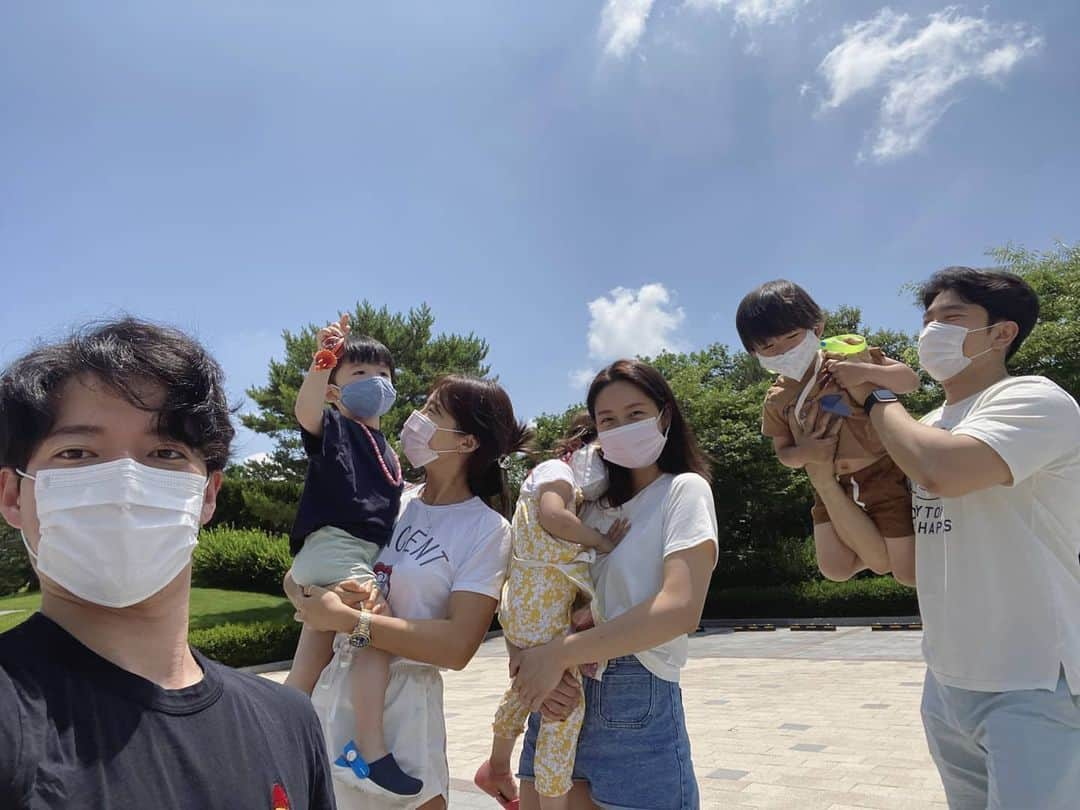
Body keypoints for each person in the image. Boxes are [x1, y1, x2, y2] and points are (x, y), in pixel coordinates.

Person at [0, 318, 335, 810]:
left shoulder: (288, 720)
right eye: (77, 453)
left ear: (208, 495)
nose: (126, 483)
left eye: (164, 452)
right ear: (13, 495)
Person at [828, 267, 1080, 809]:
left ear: (1001, 333)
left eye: (951, 318)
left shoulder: (1034, 399)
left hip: (1031, 680)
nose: (931, 331)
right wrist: (819, 469)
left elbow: (943, 471)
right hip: (947, 681)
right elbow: (904, 564)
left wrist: (873, 394)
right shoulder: (926, 423)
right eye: (927, 319)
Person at [291, 375, 576, 810]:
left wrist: (351, 621)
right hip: (332, 688)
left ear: (466, 443)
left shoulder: (485, 530)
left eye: (432, 413)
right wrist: (300, 591)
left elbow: (458, 646)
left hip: (405, 707)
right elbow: (318, 560)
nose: (416, 420)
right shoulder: (391, 498)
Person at [511, 359, 718, 810]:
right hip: (559, 696)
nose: (621, 427)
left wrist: (559, 654)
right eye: (607, 420)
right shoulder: (588, 511)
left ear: (665, 415)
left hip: (635, 697)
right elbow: (533, 582)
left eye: (635, 414)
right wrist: (532, 666)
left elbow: (680, 609)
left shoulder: (683, 490)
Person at [282, 313, 420, 798]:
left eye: (382, 374)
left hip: (332, 556)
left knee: (311, 658)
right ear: (336, 391)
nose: (374, 382)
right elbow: (305, 411)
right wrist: (322, 361)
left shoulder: (385, 446)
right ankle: (371, 749)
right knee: (375, 635)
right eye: (358, 374)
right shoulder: (337, 427)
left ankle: (274, 738)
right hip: (338, 549)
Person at [475, 414, 630, 810]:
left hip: (530, 606)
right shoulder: (558, 472)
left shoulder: (555, 477)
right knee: (565, 710)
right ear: (583, 444)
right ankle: (550, 800)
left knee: (528, 689)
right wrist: (599, 541)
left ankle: (496, 766)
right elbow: (553, 515)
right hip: (538, 606)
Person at [735, 279, 920, 585]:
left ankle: (887, 553)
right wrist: (804, 453)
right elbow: (784, 453)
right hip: (832, 483)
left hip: (882, 475)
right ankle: (882, 552)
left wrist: (867, 372)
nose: (782, 350)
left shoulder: (846, 355)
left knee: (907, 574)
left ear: (817, 329)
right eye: (768, 346)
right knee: (834, 568)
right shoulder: (776, 399)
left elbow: (909, 381)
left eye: (792, 337)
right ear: (755, 353)